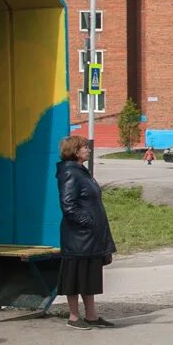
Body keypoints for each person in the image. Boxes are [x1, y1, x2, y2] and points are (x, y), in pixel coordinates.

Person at [55, 136, 116, 330]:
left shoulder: (81, 172)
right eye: (84, 147)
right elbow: (68, 205)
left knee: (89, 276)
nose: (88, 150)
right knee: (74, 276)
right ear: (74, 151)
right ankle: (74, 317)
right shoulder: (70, 173)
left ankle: (91, 315)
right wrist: (88, 222)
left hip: (90, 236)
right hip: (78, 237)